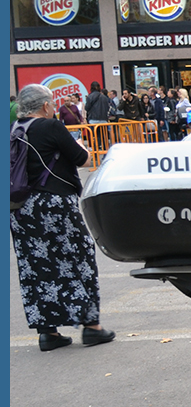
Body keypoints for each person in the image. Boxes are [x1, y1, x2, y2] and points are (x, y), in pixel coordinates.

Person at [9, 84, 115, 351]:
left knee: (35, 266)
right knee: (77, 257)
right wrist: (81, 145)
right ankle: (91, 327)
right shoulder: (51, 127)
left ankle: (48, 332)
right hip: (54, 204)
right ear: (45, 106)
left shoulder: (12, 130)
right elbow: (81, 159)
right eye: (52, 104)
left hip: (20, 208)